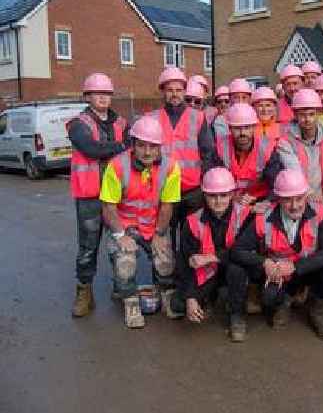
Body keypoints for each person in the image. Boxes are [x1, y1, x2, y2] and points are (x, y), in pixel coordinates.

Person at [232, 169, 323, 339]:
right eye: (287, 199)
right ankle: (285, 301)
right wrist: (264, 262)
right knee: (268, 299)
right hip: (277, 274)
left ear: (306, 195)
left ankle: (318, 313)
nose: (294, 205)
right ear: (279, 198)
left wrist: (295, 267)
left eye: (299, 198)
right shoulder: (264, 217)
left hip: (305, 270)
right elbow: (237, 251)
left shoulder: (320, 212)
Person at [99, 117, 180, 328]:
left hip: (153, 225)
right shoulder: (116, 166)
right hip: (125, 225)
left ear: (160, 146)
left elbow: (167, 205)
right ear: (133, 144)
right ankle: (130, 300)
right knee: (125, 262)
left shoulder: (170, 167)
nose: (147, 152)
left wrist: (160, 234)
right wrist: (120, 236)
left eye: (153, 146)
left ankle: (166, 295)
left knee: (165, 260)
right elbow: (108, 206)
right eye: (141, 145)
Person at [68, 73, 129, 317]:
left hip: (116, 195)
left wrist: (122, 146)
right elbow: (90, 149)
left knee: (120, 242)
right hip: (90, 197)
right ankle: (84, 293)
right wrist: (120, 146)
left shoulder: (122, 123)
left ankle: (121, 286)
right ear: (88, 96)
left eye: (106, 93)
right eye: (97, 93)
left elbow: (133, 144)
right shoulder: (78, 124)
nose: (103, 97)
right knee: (88, 247)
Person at [177, 168, 252, 342]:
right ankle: (210, 297)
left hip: (235, 269)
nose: (218, 201)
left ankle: (237, 315)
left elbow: (245, 253)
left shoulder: (246, 216)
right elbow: (185, 261)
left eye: (224, 195)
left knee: (236, 269)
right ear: (204, 195)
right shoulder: (192, 221)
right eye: (212, 196)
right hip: (208, 272)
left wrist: (211, 257)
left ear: (232, 194)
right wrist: (190, 297)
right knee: (179, 304)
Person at [150, 67, 218, 257]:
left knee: (193, 237)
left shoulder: (198, 117)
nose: (174, 94)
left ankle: (189, 279)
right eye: (170, 90)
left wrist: (202, 179)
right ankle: (165, 281)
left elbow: (207, 152)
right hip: (163, 190)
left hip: (192, 191)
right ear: (163, 91)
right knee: (163, 238)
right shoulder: (153, 118)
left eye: (179, 90)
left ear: (184, 91)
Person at [269, 88, 323, 212]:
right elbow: (293, 168)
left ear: (318, 113)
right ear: (295, 115)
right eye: (302, 115)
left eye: (311, 114)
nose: (307, 119)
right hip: (297, 199)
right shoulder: (285, 140)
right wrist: (308, 193)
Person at [214, 103, 275, 206]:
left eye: (247, 127)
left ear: (254, 127)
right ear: (229, 128)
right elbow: (214, 182)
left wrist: (258, 201)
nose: (242, 133)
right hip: (228, 201)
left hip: (259, 200)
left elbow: (276, 183)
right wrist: (232, 197)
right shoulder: (219, 147)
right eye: (237, 128)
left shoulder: (268, 149)